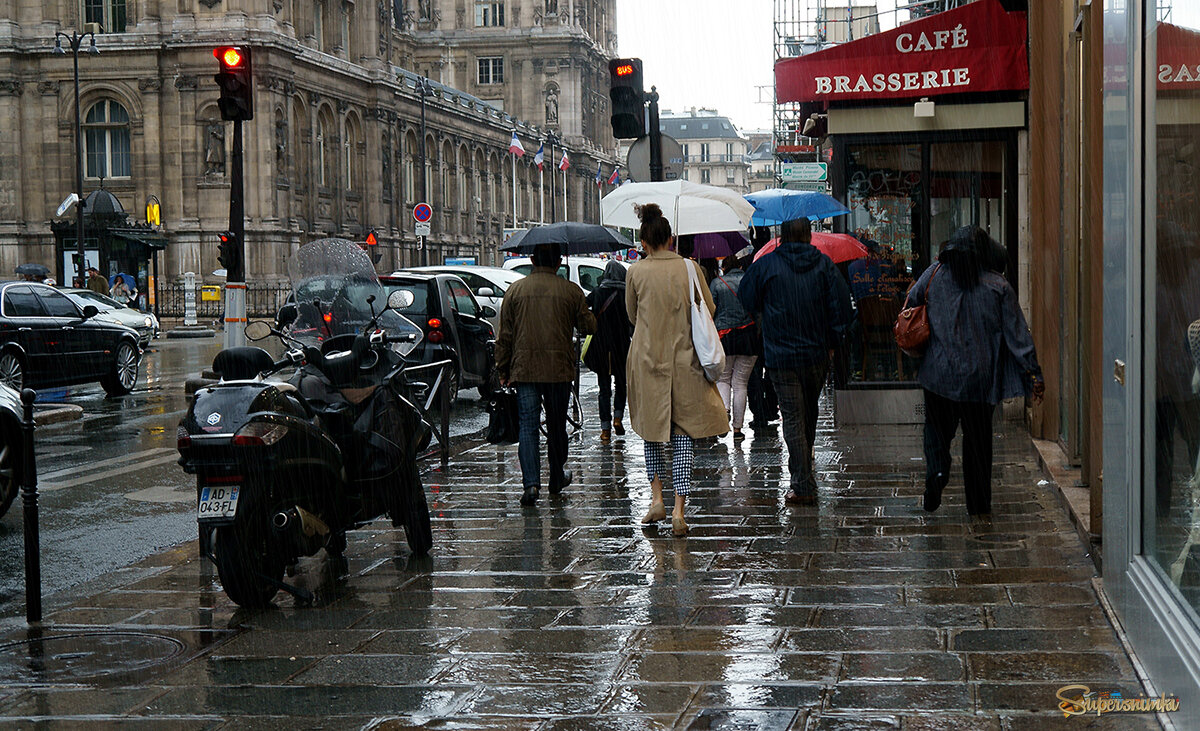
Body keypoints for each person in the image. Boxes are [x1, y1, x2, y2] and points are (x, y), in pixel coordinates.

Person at [905, 225, 1044, 518]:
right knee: (978, 443)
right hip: (980, 379)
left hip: (939, 375)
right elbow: (1017, 335)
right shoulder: (998, 286)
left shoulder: (934, 274)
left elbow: (912, 303)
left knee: (936, 433)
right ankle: (978, 505)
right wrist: (1033, 373)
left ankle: (937, 473)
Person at [626, 203, 729, 536]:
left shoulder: (635, 272)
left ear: (644, 242)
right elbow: (708, 308)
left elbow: (632, 315)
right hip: (684, 361)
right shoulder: (689, 268)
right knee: (683, 436)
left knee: (652, 432)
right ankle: (678, 510)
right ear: (670, 239)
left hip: (646, 360)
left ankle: (656, 498)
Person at [738, 217, 852, 506]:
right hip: (816, 353)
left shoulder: (767, 265)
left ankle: (802, 483)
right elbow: (841, 305)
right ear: (809, 236)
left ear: (782, 236)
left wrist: (765, 312)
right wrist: (833, 341)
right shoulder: (824, 265)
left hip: (781, 355)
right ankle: (804, 477)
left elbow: (746, 297)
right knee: (808, 411)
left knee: (793, 416)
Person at [495, 243, 596, 506]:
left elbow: (505, 335)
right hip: (558, 370)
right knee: (556, 425)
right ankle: (556, 476)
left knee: (528, 426)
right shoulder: (570, 291)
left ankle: (531, 485)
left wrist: (502, 369)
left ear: (532, 260)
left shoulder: (515, 291)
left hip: (525, 369)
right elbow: (588, 326)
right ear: (559, 262)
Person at [584, 261, 632, 443]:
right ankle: (618, 418)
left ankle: (605, 430)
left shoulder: (597, 292)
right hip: (621, 345)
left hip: (601, 346)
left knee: (604, 389)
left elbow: (583, 306)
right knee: (621, 384)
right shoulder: (626, 293)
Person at [710, 254, 757, 440]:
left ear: (724, 268)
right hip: (748, 337)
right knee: (741, 384)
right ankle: (738, 429)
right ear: (740, 266)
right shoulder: (749, 281)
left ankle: (724, 414)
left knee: (723, 379)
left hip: (724, 336)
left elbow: (711, 309)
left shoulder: (717, 283)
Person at [746, 226, 779, 428]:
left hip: (752, 326)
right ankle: (771, 407)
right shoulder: (775, 261)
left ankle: (759, 413)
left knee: (754, 373)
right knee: (772, 369)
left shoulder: (748, 263)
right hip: (772, 323)